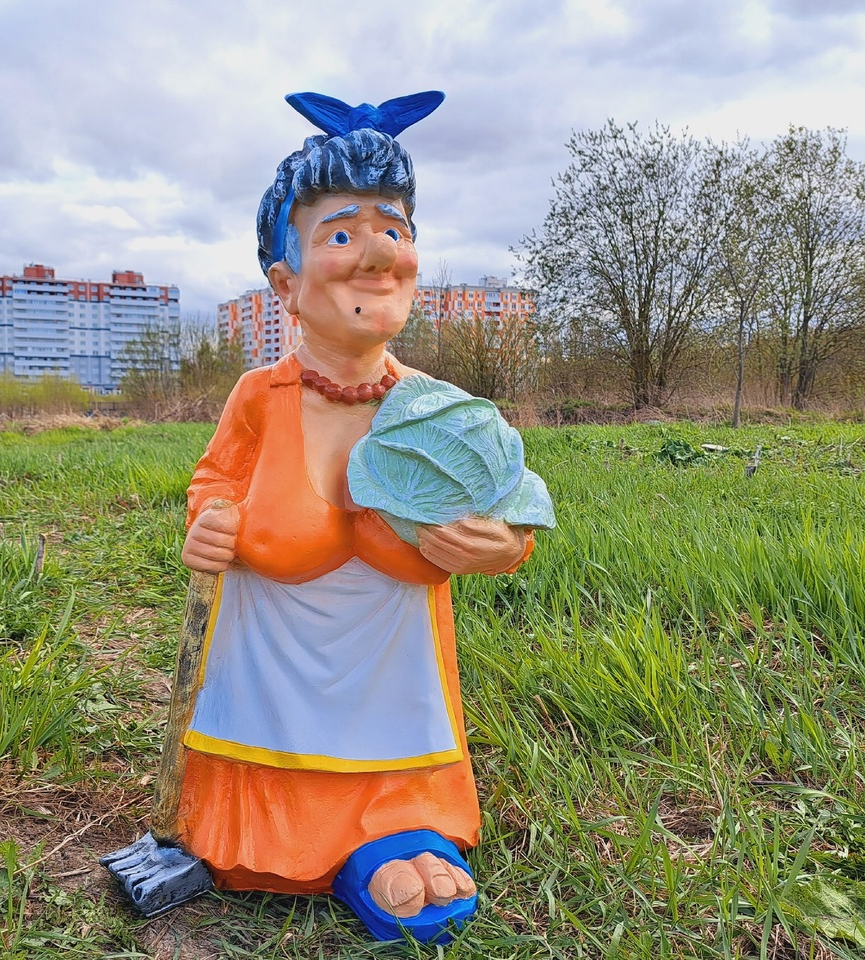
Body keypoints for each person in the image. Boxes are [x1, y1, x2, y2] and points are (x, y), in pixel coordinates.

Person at [175, 92, 534, 941]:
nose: (377, 254)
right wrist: (211, 519)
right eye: (341, 235)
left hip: (392, 660)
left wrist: (499, 545)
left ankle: (396, 830)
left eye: (394, 231)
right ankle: (272, 837)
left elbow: (508, 502)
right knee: (266, 753)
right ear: (287, 284)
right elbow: (214, 478)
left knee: (395, 730)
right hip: (270, 656)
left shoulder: (437, 408)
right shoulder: (259, 395)